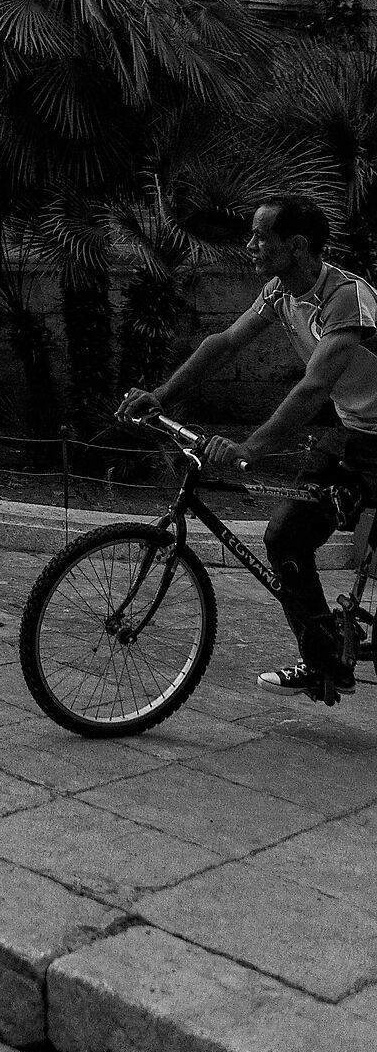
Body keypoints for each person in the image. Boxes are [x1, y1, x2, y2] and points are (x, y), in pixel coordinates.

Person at [127, 195, 377, 704]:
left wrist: (250, 448)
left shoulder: (347, 298)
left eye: (262, 237)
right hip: (352, 430)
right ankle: (324, 658)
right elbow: (223, 343)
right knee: (285, 537)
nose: (251, 246)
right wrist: (162, 395)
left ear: (297, 245)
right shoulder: (280, 293)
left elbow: (312, 388)